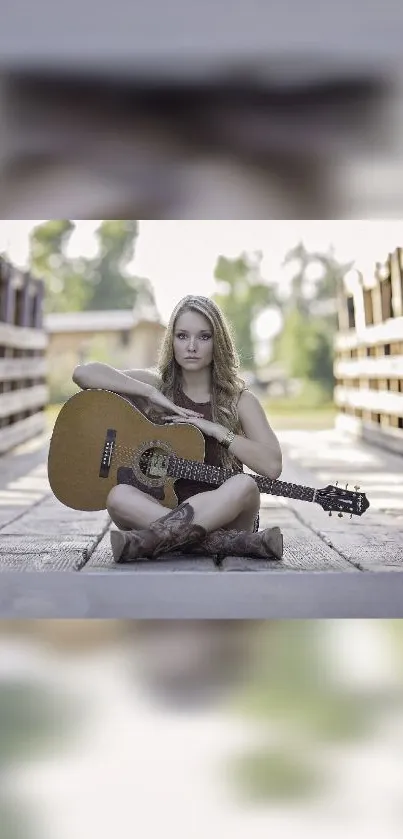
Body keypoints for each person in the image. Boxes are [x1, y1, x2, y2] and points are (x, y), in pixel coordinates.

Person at [72, 295, 283, 563]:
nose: (192, 346)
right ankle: (225, 544)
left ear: (218, 342)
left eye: (203, 337)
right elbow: (83, 374)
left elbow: (273, 466)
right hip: (163, 509)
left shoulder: (239, 400)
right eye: (182, 336)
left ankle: (154, 540)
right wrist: (148, 392)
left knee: (244, 485)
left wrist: (219, 432)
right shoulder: (157, 387)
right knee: (118, 496)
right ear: (171, 341)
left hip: (228, 516)